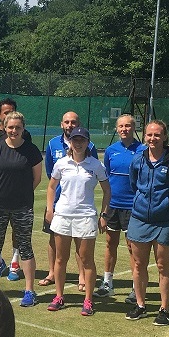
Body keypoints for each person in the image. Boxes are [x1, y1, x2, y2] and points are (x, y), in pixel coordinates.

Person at [127, 120, 169, 326]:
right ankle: (140, 305)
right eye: (149, 135)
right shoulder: (137, 160)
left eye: (157, 135)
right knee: (139, 264)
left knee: (163, 266)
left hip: (165, 222)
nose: (152, 139)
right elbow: (133, 185)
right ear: (144, 137)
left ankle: (164, 309)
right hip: (139, 219)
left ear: (165, 137)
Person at [44, 126, 110, 316]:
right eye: (75, 140)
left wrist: (104, 215)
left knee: (86, 260)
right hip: (63, 216)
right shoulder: (62, 164)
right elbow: (51, 187)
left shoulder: (95, 165)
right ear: (70, 142)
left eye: (82, 140)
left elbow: (107, 191)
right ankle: (58, 296)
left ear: (88, 143)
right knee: (60, 259)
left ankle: (88, 300)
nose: (78, 143)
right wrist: (50, 209)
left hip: (86, 217)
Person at [0, 111, 44, 307]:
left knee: (25, 246)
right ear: (5, 127)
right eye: (10, 127)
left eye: (17, 127)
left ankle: (29, 290)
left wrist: (22, 194)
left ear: (23, 128)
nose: (14, 130)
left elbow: (37, 179)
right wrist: (2, 193)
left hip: (23, 207)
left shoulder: (32, 150)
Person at [39, 111, 97, 293]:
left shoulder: (91, 145)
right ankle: (51, 273)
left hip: (80, 206)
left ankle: (81, 275)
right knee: (53, 239)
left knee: (81, 245)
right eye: (66, 122)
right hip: (57, 203)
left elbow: (93, 172)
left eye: (73, 122)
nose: (70, 125)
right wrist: (51, 205)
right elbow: (51, 173)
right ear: (61, 124)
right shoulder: (52, 143)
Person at [0, 98, 30, 280]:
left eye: (12, 111)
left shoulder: (26, 137)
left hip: (19, 198)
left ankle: (15, 263)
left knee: (19, 232)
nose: (9, 115)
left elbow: (33, 173)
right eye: (6, 112)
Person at [100, 114, 145, 303]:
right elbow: (107, 178)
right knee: (110, 244)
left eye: (128, 126)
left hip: (132, 207)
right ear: (116, 129)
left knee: (132, 248)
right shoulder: (111, 150)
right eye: (121, 126)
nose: (124, 129)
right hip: (113, 206)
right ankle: (107, 284)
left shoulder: (143, 150)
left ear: (134, 128)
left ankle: (136, 289)